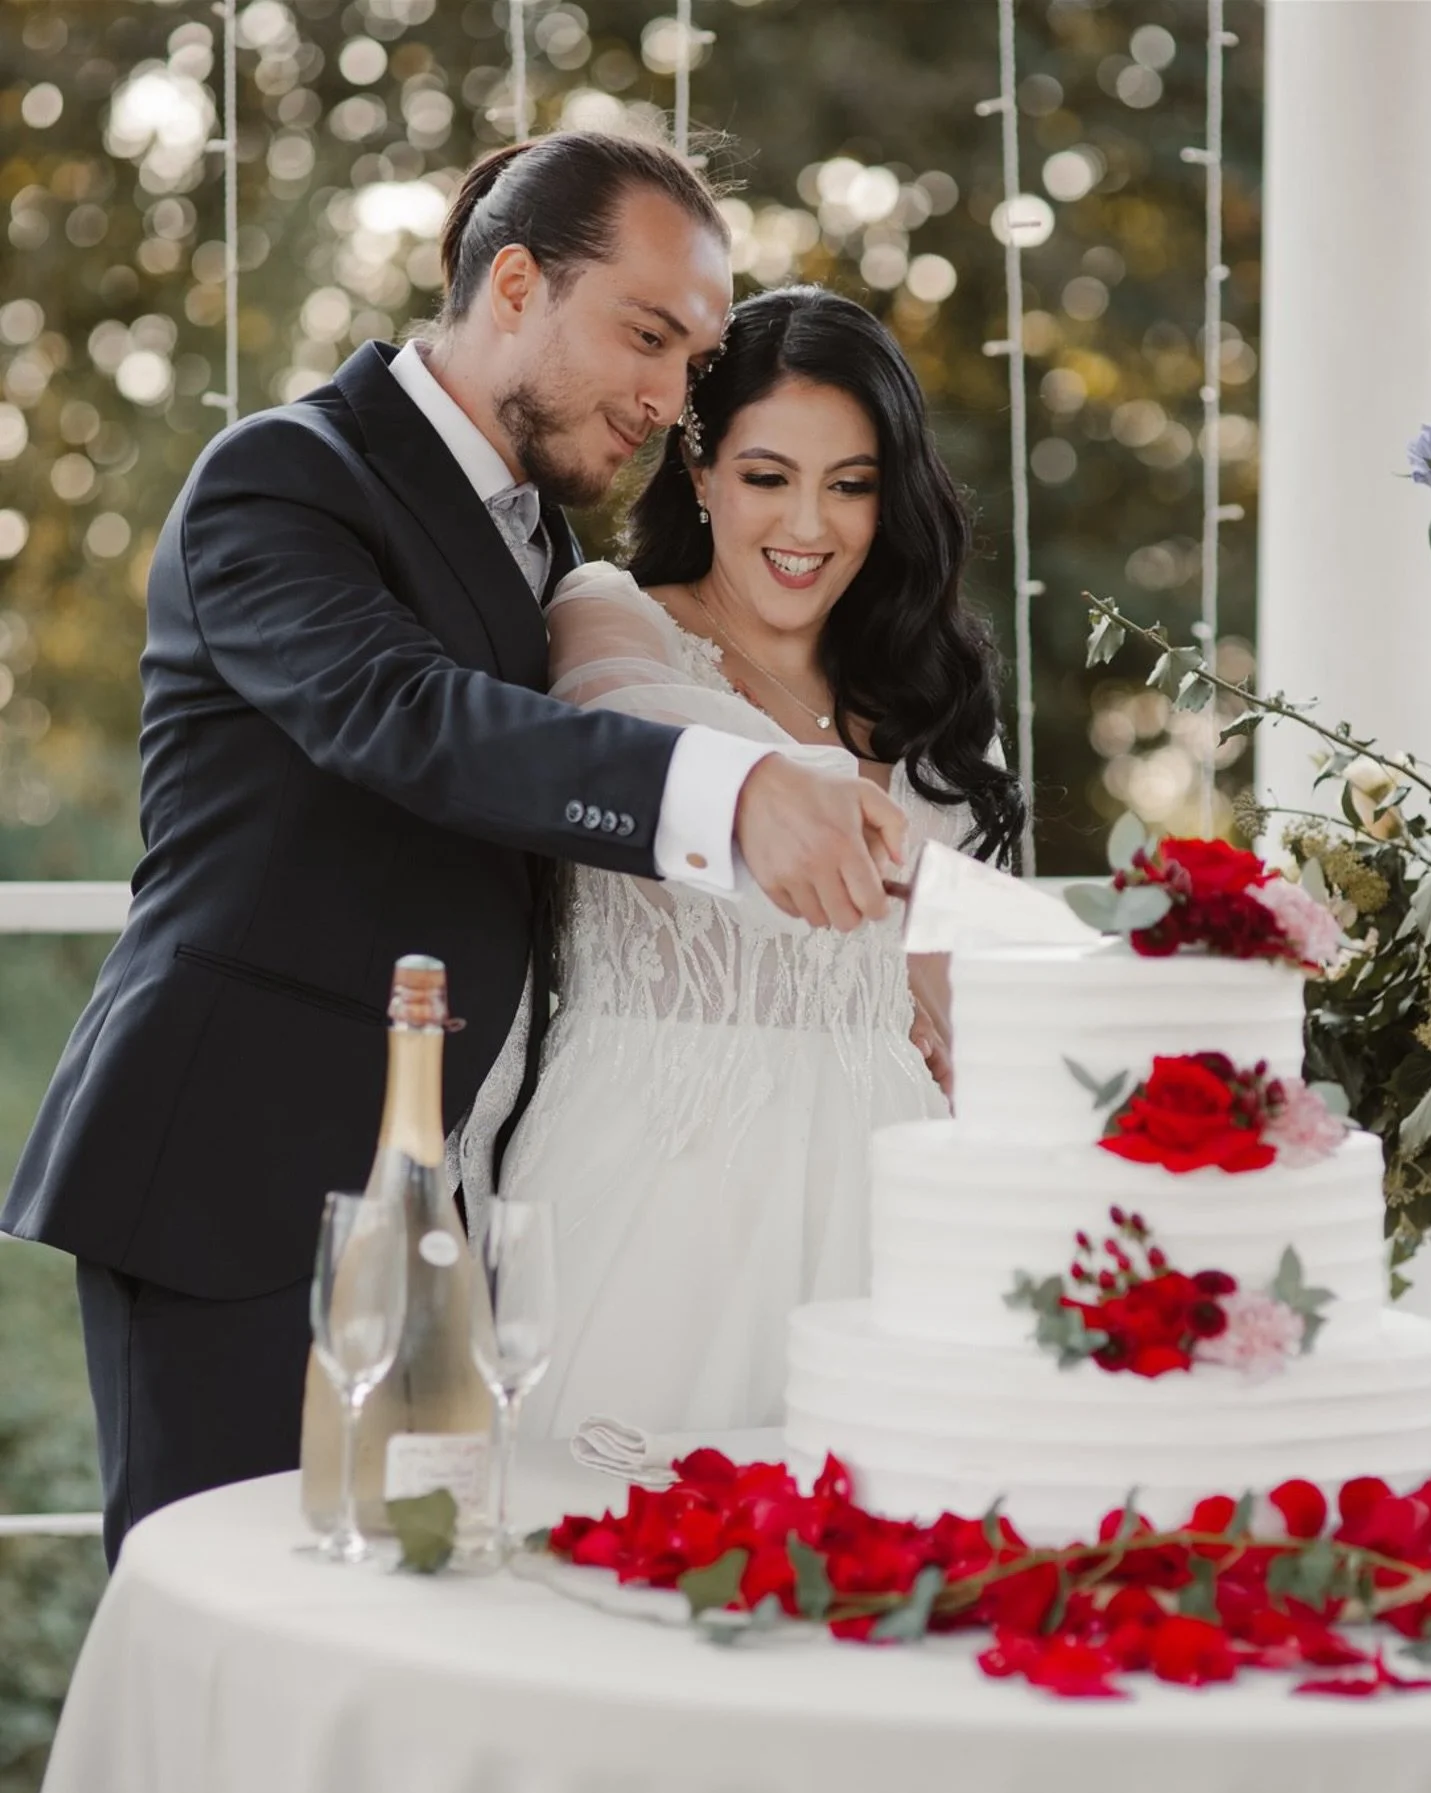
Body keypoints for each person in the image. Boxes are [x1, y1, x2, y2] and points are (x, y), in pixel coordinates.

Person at [0, 136, 908, 1567]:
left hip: (453, 1191)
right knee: (238, 1622)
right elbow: (404, 714)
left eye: (695, 356)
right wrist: (728, 790)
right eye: (647, 336)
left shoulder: (543, 538)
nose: (672, 396)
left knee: (403, 1617)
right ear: (513, 282)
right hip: (237, 1173)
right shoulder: (282, 477)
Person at [455, 286, 1026, 1439]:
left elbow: (989, 1000)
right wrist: (874, 870)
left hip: (891, 1203)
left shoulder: (932, 700)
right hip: (656, 1184)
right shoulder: (612, 616)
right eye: (768, 477)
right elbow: (626, 717)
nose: (807, 524)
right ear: (702, 474)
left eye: (850, 484)